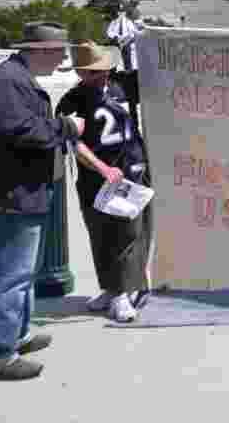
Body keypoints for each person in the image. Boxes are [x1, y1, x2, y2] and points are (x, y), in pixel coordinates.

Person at [0, 22, 85, 381]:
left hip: (13, 191)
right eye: (59, 52)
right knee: (7, 274)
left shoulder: (12, 77)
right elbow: (22, 132)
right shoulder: (9, 81)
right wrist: (67, 127)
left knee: (17, 273)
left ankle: (16, 336)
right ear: (39, 49)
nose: (63, 59)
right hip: (9, 194)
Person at [56, 43, 152, 322]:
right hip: (95, 177)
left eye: (105, 70)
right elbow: (73, 142)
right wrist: (102, 168)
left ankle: (124, 293)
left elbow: (157, 76)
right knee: (100, 234)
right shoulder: (72, 100)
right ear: (80, 72)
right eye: (94, 72)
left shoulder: (123, 85)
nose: (103, 76)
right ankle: (111, 288)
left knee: (127, 234)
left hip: (131, 171)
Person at [106, 5, 143, 135]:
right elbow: (109, 33)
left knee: (132, 101)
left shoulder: (130, 23)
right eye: (119, 10)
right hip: (119, 65)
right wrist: (117, 39)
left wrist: (127, 39)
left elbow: (134, 35)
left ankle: (134, 127)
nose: (120, 12)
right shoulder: (114, 23)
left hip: (130, 70)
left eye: (122, 10)